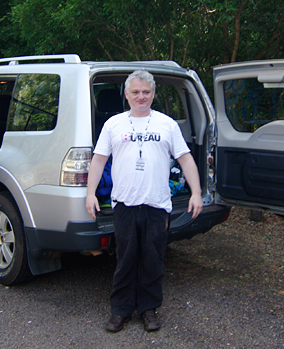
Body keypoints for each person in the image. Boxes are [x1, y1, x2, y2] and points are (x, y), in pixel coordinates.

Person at [86, 70, 203, 333]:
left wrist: (195, 192)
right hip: (125, 204)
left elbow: (185, 159)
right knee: (125, 258)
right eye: (136, 92)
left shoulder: (167, 124)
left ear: (153, 94)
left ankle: (149, 309)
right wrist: (90, 193)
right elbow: (99, 159)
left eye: (146, 92)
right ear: (126, 94)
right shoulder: (113, 124)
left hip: (157, 205)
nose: (141, 97)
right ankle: (121, 311)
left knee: (153, 259)